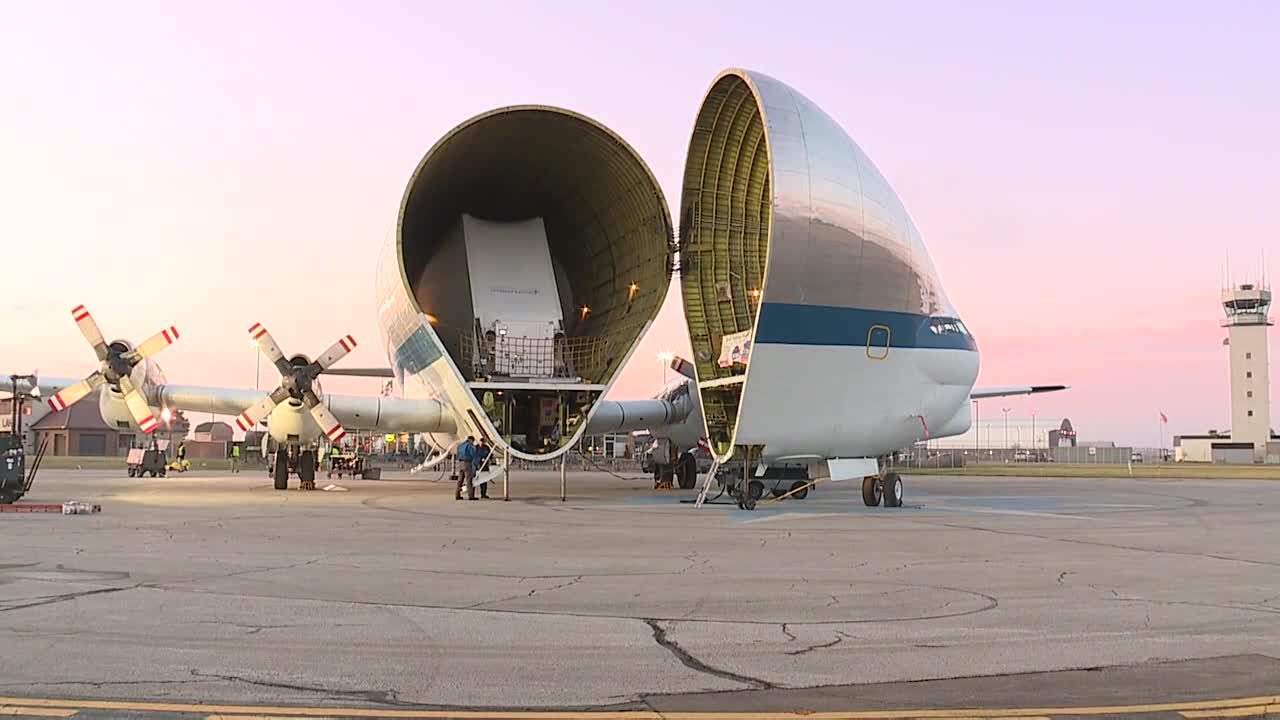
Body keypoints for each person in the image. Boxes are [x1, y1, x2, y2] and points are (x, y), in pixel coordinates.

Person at [455, 436, 476, 501]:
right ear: (471, 440)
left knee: (460, 480)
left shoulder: (461, 445)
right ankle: (471, 496)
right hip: (467, 463)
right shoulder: (470, 445)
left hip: (460, 463)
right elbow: (472, 454)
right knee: (469, 480)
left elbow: (457, 454)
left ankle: (457, 494)